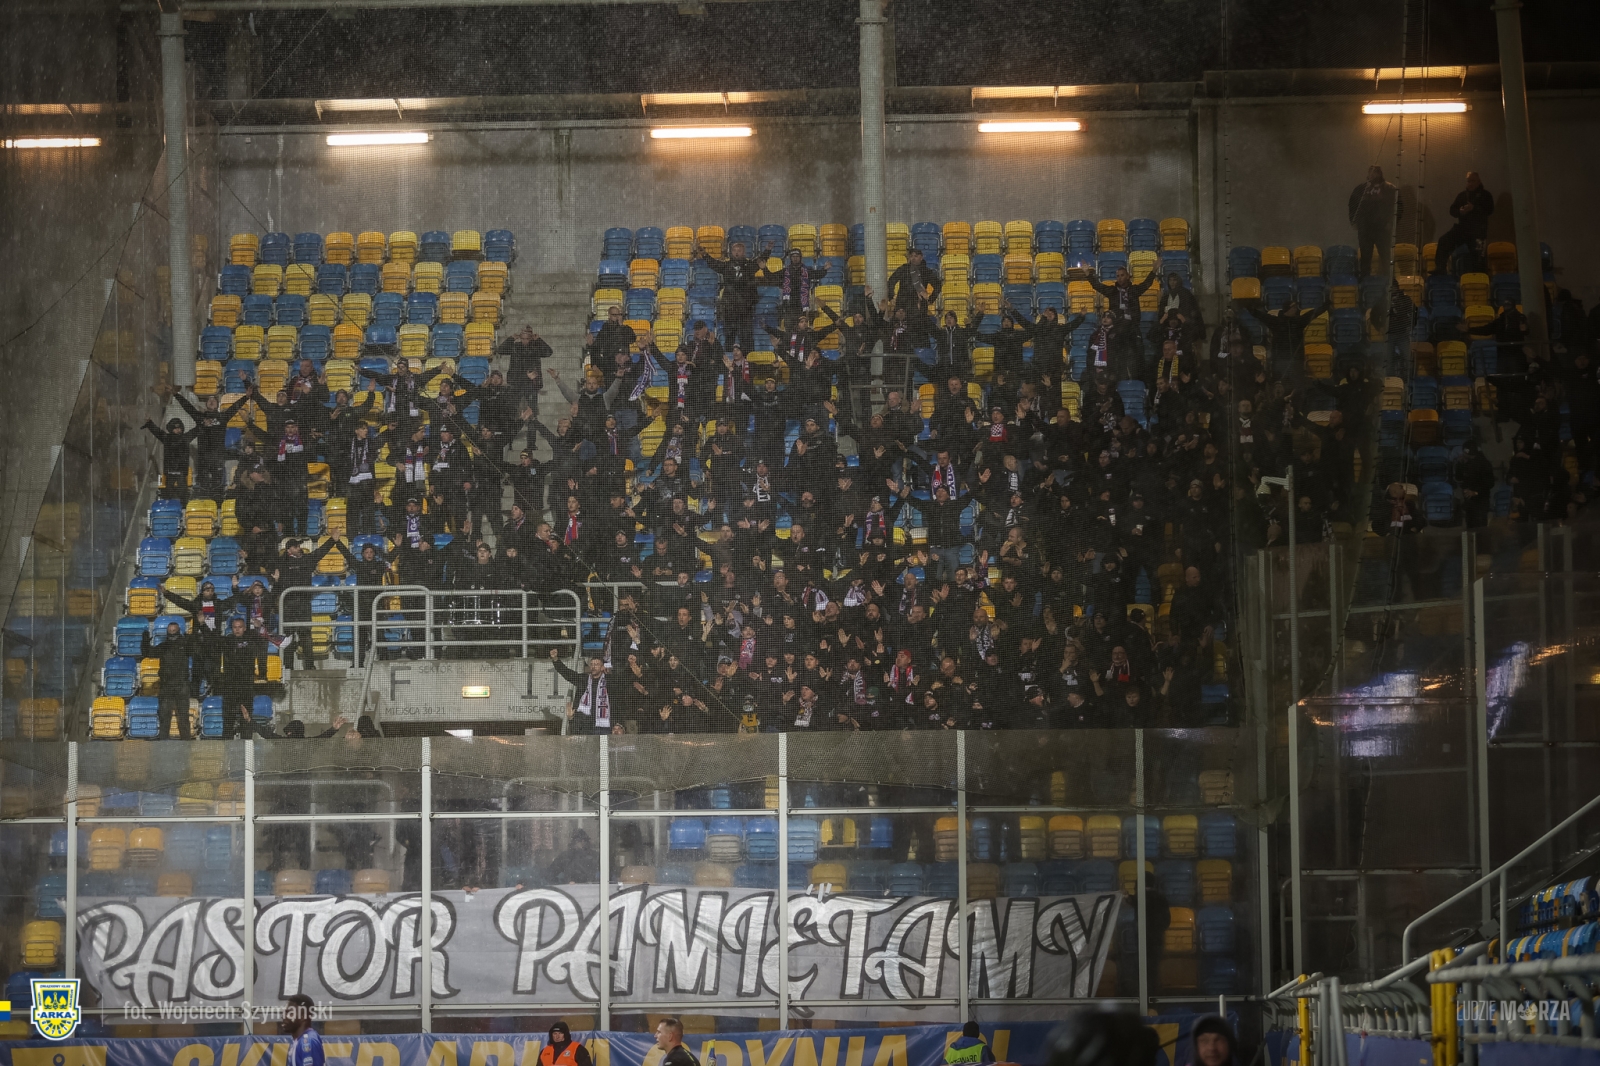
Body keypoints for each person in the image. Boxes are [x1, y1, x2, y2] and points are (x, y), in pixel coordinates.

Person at [698, 241, 761, 354]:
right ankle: (728, 359)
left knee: (746, 337)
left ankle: (748, 359)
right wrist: (705, 255)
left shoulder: (750, 266)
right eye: (734, 250)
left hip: (745, 310)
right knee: (729, 336)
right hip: (730, 309)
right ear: (731, 252)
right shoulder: (726, 266)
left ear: (744, 252)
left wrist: (768, 250)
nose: (736, 253)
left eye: (739, 251)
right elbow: (714, 264)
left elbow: (761, 261)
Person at [141, 621, 195, 740]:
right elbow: (148, 653)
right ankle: (163, 744)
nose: (172, 633)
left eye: (174, 631)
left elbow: (193, 649)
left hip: (182, 686)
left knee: (183, 718)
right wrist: (145, 640)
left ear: (178, 631)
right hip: (167, 686)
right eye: (170, 631)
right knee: (164, 717)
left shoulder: (185, 645)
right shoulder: (164, 646)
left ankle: (186, 744)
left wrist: (191, 637)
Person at [1434, 171, 1494, 274]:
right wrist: (1460, 212)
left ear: (1479, 182)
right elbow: (1452, 210)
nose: (1470, 184)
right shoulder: (1462, 196)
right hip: (1462, 229)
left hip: (1478, 231)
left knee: (1478, 258)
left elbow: (1489, 210)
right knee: (1444, 241)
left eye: (1473, 181)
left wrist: (1474, 208)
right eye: (1468, 181)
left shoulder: (1485, 195)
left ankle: (1479, 276)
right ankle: (1440, 268)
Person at [1348, 164, 1399, 277]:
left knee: (1385, 256)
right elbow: (1353, 204)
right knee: (1365, 257)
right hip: (1365, 229)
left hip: (1382, 229)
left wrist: (1391, 223)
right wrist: (1354, 221)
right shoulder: (1361, 189)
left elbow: (1398, 207)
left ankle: (1389, 281)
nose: (1373, 175)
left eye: (1375, 172)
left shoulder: (1390, 189)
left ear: (1380, 173)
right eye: (1371, 172)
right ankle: (1365, 281)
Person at [282, 994, 323, 1066]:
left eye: (290, 1013)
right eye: (284, 1012)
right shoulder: (300, 1040)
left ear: (303, 1016)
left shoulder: (308, 1041)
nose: (283, 1016)